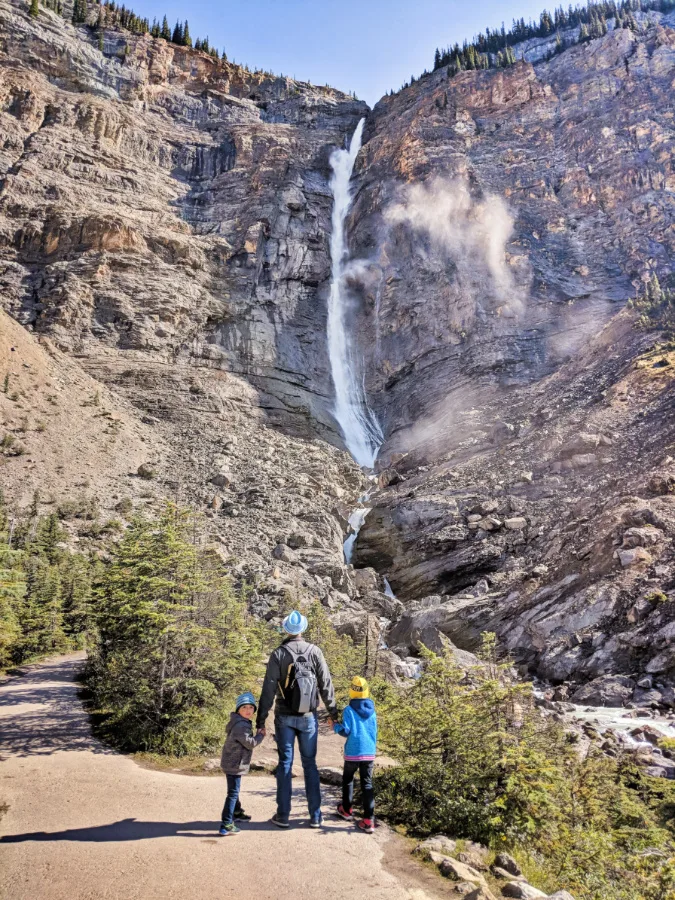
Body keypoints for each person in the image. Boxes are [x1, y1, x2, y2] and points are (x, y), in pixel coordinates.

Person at [256, 609, 338, 828]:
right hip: (308, 716)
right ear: (303, 628)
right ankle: (316, 815)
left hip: (284, 715)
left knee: (285, 763)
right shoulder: (315, 652)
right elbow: (326, 685)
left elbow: (268, 690)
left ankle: (283, 815)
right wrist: (334, 714)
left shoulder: (278, 654)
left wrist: (260, 720)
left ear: (286, 629)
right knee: (310, 765)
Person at [334, 676, 378, 834]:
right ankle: (368, 820)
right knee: (367, 784)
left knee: (348, 780)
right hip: (369, 752)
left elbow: (346, 731)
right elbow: (375, 732)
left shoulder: (348, 710)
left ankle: (346, 810)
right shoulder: (373, 711)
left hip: (353, 751)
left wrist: (335, 726)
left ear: (352, 691)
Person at [219, 691, 265, 835]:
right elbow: (250, 743)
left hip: (231, 761)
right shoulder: (241, 725)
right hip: (234, 764)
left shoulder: (238, 721)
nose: (248, 710)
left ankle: (237, 812)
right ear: (238, 709)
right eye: (244, 707)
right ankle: (226, 824)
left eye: (251, 708)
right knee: (233, 793)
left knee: (234, 791)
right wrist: (260, 735)